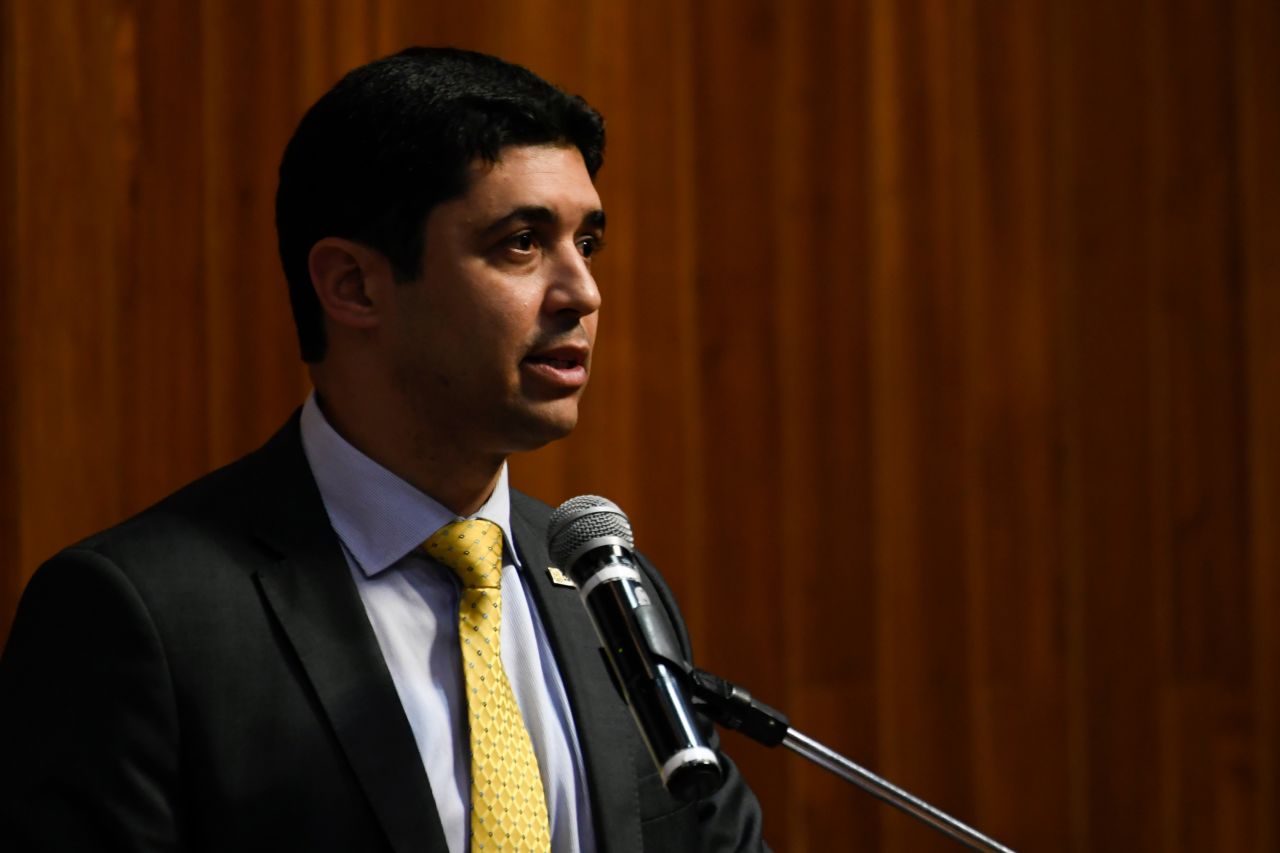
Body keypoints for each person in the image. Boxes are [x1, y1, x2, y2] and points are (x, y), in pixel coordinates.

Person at [0, 47, 769, 852]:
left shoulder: (606, 587)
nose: (583, 292)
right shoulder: (142, 617)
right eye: (520, 242)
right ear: (353, 285)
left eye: (588, 242)